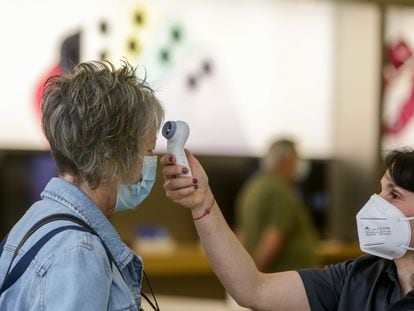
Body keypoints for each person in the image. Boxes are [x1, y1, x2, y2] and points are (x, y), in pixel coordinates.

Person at [161, 147, 414, 310]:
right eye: (381, 189)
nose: (377, 203)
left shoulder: (259, 188)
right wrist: (202, 203)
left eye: (394, 195)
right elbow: (254, 289)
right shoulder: (360, 278)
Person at [0, 61, 164, 310]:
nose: (150, 165)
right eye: (148, 151)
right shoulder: (80, 253)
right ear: (112, 156)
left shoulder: (35, 220)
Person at [235, 139, 319, 272]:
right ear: (286, 160)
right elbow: (273, 237)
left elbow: (242, 234)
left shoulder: (252, 186)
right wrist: (254, 277)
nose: (299, 164)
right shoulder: (278, 189)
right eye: (297, 158)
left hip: (274, 280)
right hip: (289, 282)